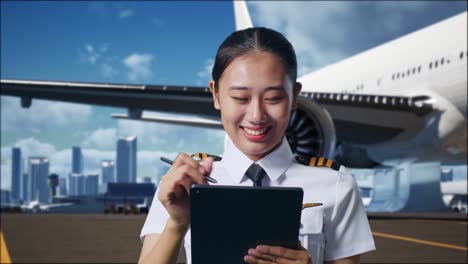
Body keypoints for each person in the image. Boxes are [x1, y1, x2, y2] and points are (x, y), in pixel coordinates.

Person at [138, 27, 375, 264]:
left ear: (294, 97)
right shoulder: (183, 183)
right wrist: (177, 223)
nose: (256, 115)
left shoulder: (336, 184)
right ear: (216, 95)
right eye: (240, 98)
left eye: (273, 98)